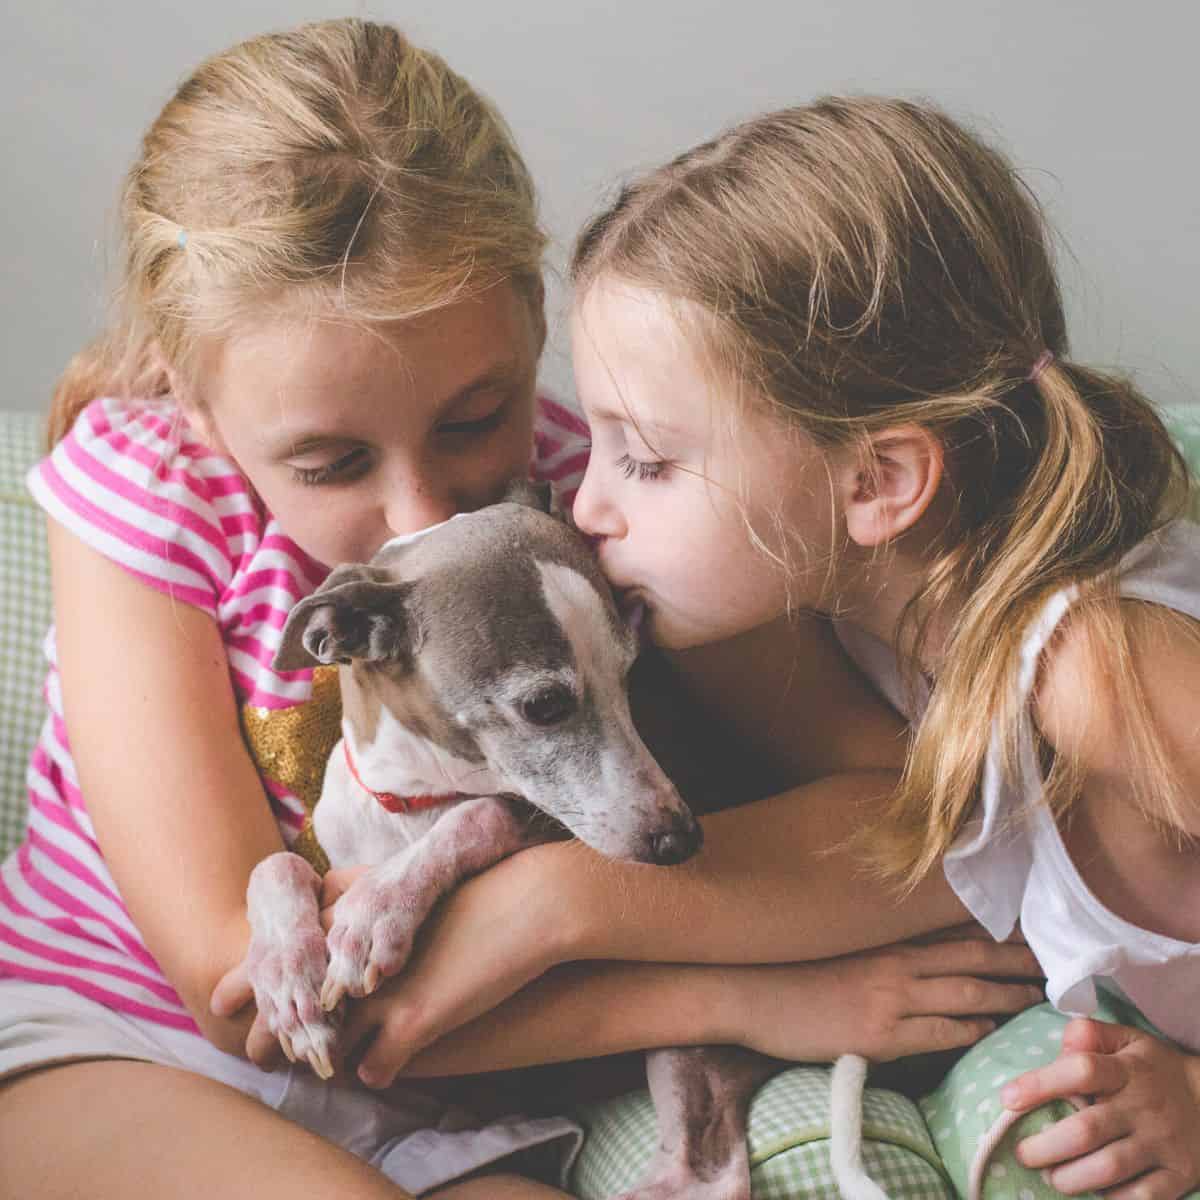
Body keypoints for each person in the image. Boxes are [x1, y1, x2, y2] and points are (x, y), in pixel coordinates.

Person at [0, 24, 1043, 1200]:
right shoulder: (146, 493)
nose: (419, 510)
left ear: (532, 326)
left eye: (470, 420)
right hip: (115, 1044)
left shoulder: (585, 508)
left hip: (463, 1094)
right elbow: (245, 997)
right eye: (334, 462)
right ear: (195, 400)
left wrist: (558, 903)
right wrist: (731, 994)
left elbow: (932, 827)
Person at [309, 98, 1199, 1199]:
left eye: (643, 459)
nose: (584, 508)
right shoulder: (820, 623)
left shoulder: (1103, 673)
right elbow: (386, 1034)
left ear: (876, 483)